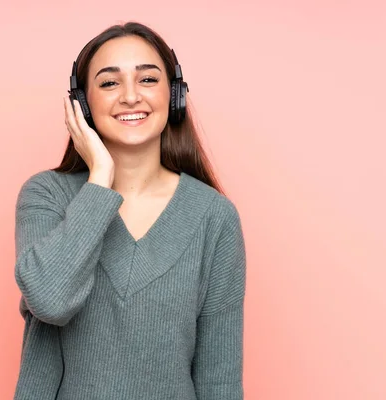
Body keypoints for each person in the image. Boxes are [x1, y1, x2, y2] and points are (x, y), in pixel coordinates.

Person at [13, 21, 247, 400]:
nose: (130, 96)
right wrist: (101, 177)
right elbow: (50, 301)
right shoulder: (47, 196)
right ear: (82, 104)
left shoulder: (213, 217)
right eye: (109, 83)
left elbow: (219, 380)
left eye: (148, 80)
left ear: (174, 96)